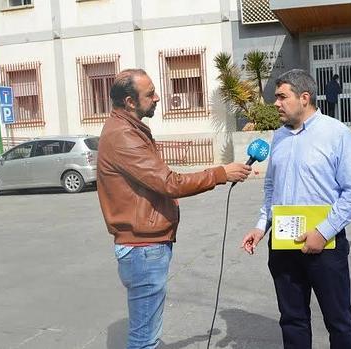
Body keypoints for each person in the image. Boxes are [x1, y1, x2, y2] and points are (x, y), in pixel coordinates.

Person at [96, 68, 251, 349]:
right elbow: (168, 183)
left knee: (147, 334)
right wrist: (220, 173)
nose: (157, 98)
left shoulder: (128, 128)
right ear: (130, 102)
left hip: (145, 246)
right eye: (150, 94)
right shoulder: (123, 136)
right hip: (143, 248)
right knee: (144, 341)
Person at [241, 69, 351, 349]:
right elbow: (271, 189)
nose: (276, 103)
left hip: (326, 245)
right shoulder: (280, 138)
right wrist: (261, 227)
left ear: (304, 98)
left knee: (339, 321)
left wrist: (322, 232)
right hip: (284, 244)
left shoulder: (337, 134)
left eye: (282, 97)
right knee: (292, 320)